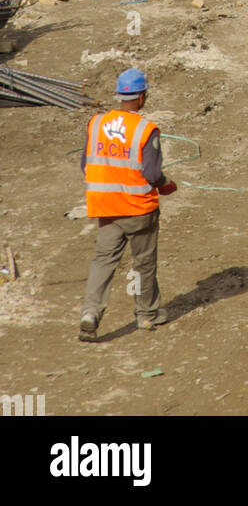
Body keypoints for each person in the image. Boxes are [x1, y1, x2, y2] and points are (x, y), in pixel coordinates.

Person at [79, 69, 177, 342]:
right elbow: (152, 174)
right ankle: (146, 314)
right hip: (138, 209)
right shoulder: (146, 130)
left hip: (106, 207)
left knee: (103, 261)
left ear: (120, 95)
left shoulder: (96, 123)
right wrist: (167, 185)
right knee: (143, 262)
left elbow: (85, 165)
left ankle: (90, 313)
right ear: (142, 96)